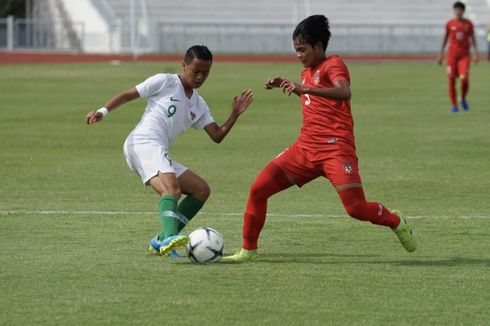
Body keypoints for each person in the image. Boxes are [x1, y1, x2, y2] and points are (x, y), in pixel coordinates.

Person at [223, 15, 417, 263]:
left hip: (336, 150)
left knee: (355, 209)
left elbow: (344, 91)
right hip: (304, 150)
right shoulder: (307, 72)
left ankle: (395, 220)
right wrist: (287, 84)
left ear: (319, 47)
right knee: (258, 190)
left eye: (302, 49)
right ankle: (248, 251)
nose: (298, 55)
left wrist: (304, 88)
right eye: (296, 50)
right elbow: (314, 101)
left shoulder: (333, 64)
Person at [85, 45, 253, 257]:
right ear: (184, 66)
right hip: (142, 143)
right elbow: (129, 94)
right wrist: (103, 111)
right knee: (171, 190)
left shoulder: (199, 105)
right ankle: (170, 238)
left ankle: (163, 238)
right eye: (196, 71)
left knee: (201, 190)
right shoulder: (166, 81)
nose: (200, 77)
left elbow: (217, 135)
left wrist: (235, 114)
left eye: (205, 73)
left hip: (157, 149)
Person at [437, 1, 478, 113]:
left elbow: (473, 39)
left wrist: (475, 53)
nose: (458, 12)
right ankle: (454, 105)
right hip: (451, 56)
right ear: (454, 11)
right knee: (451, 79)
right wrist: (441, 54)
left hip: (464, 56)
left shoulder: (468, 24)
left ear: (463, 11)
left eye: (460, 10)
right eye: (457, 10)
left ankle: (463, 98)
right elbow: (445, 38)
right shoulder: (449, 24)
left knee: (464, 78)